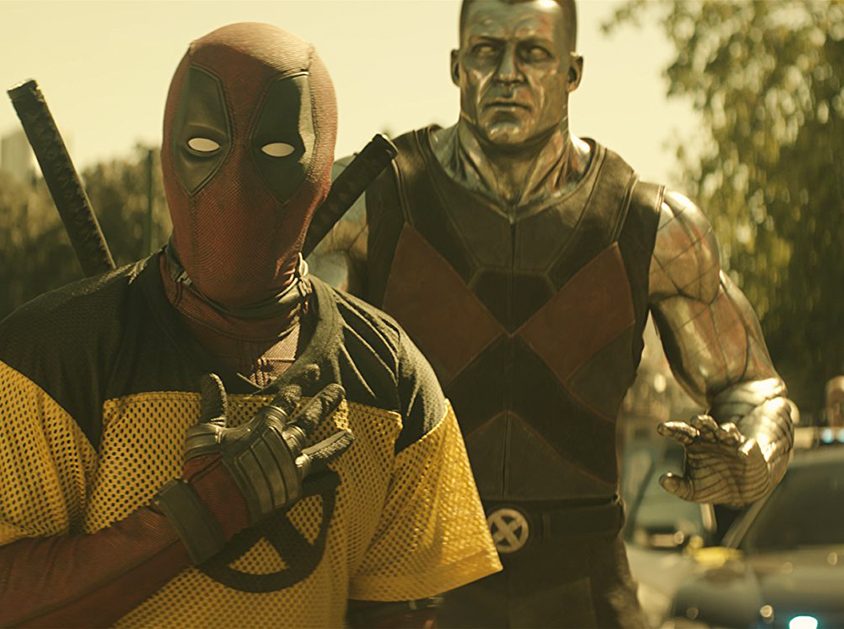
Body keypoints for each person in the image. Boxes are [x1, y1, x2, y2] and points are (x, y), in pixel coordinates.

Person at [0, 22, 500, 628]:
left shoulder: (390, 374)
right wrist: (198, 517)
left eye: (276, 152)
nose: (236, 181)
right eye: (205, 145)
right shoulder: (46, 357)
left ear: (323, 169)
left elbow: (400, 613)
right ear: (169, 153)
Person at [309, 1, 796, 626]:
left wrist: (754, 453)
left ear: (572, 72)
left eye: (533, 53)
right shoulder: (363, 206)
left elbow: (751, 385)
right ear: (457, 66)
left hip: (586, 586)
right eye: (486, 51)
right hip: (415, 580)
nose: (507, 73)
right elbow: (282, 358)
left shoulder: (655, 227)